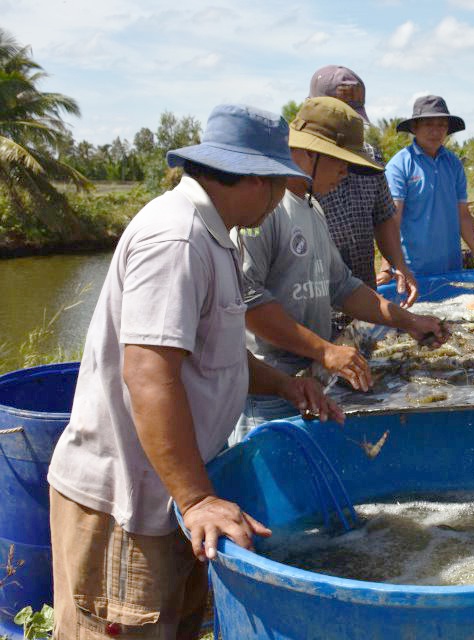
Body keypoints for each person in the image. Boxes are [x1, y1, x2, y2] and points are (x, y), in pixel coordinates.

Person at [46, 104, 342, 638]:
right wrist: (198, 498)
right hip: (129, 505)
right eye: (276, 184)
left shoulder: (216, 236)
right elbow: (148, 375)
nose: (279, 199)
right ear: (251, 178)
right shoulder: (176, 238)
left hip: (174, 494)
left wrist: (284, 383)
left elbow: (216, 353)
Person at [232, 97, 448, 441]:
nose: (345, 173)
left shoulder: (312, 206)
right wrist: (324, 350)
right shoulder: (264, 209)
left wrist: (410, 322)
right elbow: (247, 301)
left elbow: (342, 286)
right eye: (340, 162)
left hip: (311, 382)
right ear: (308, 153)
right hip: (269, 392)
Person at [309, 65, 419, 314]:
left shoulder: (370, 157)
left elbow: (383, 216)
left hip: (364, 293)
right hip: (315, 302)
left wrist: (399, 264)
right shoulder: (298, 169)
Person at [383, 95, 474, 277]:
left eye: (442, 125)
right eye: (429, 124)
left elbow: (463, 216)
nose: (436, 131)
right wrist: (388, 268)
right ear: (415, 128)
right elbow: (393, 219)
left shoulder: (453, 163)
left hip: (451, 267)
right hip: (412, 270)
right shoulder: (400, 165)